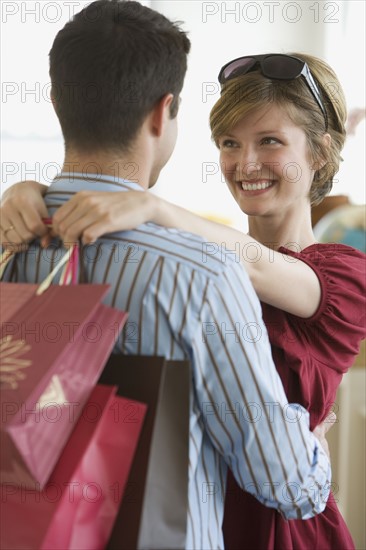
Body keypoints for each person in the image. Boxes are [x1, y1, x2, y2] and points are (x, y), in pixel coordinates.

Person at [0, 2, 335, 549]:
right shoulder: (202, 276)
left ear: (57, 102)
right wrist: (313, 449)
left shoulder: (9, 238)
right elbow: (287, 480)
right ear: (164, 113)